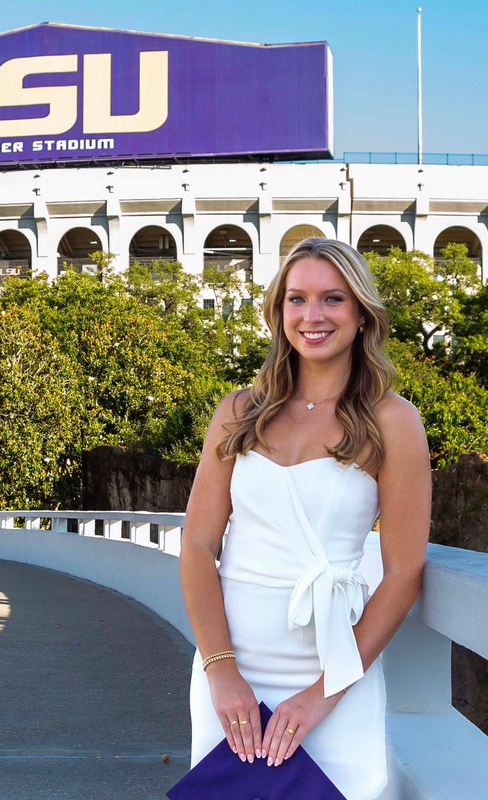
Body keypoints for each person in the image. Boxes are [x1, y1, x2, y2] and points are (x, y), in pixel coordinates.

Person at [179, 237, 431, 800]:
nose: (312, 316)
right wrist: (220, 672)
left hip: (335, 670)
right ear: (279, 312)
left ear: (362, 314)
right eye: (297, 299)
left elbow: (403, 572)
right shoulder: (237, 412)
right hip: (231, 672)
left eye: (332, 299)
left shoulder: (394, 421)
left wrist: (325, 692)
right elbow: (197, 547)